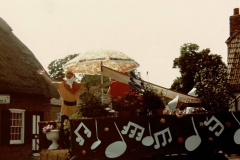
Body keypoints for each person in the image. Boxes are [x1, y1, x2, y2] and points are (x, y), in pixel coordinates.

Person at [37, 69, 103, 149]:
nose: (68, 77)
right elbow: (50, 83)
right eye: (67, 76)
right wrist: (44, 74)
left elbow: (88, 90)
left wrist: (98, 87)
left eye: (70, 76)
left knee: (75, 125)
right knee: (64, 126)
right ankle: (63, 144)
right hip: (65, 108)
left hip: (74, 108)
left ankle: (76, 144)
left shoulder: (78, 85)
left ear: (73, 76)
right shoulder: (61, 84)